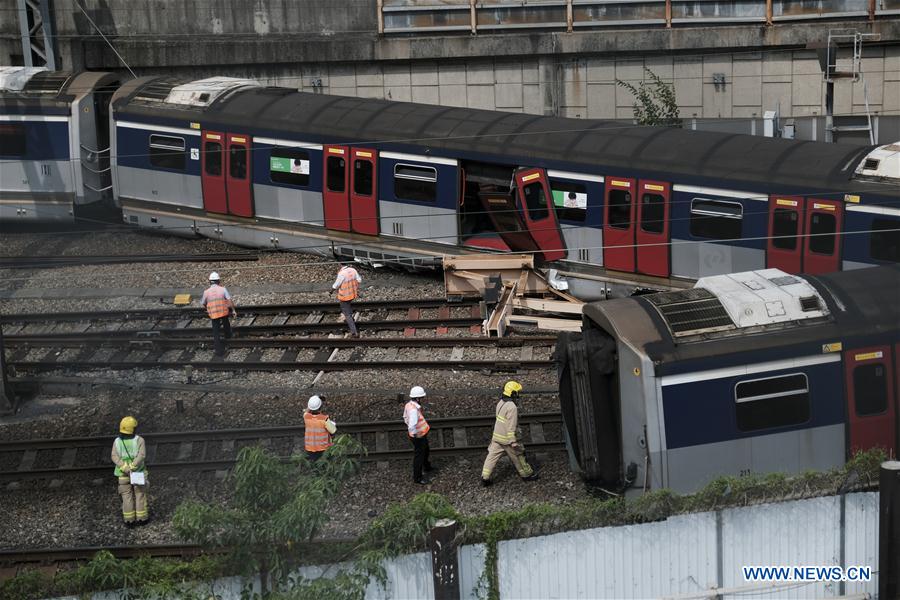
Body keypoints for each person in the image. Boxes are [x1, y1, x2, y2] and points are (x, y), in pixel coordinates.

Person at [481, 381, 538, 486]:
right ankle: (527, 475)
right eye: (517, 392)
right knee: (518, 457)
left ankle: (485, 477)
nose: (518, 395)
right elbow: (511, 425)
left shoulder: (500, 403)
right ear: (513, 393)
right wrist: (513, 441)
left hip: (497, 436)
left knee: (491, 457)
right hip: (506, 439)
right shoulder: (512, 407)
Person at [111, 416, 149, 526]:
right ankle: (142, 519)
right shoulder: (139, 440)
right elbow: (141, 455)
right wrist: (132, 466)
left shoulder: (117, 441)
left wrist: (124, 467)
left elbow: (114, 456)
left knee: (126, 496)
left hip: (123, 474)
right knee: (140, 494)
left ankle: (129, 520)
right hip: (138, 472)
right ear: (133, 429)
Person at [404, 385, 435, 484]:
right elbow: (412, 425)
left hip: (420, 434)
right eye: (421, 397)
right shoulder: (413, 410)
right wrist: (415, 434)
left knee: (425, 450)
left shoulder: (409, 405)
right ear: (417, 398)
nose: (422, 399)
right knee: (419, 456)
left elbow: (405, 417)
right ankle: (418, 478)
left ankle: (427, 466)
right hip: (418, 436)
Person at [201, 272, 236, 357]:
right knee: (226, 324)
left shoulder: (206, 292)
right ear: (218, 281)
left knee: (216, 333)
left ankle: (219, 351)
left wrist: (207, 308)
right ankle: (229, 337)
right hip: (223, 312)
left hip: (214, 314)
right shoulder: (223, 289)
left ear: (210, 281)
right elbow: (229, 300)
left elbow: (203, 303)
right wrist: (233, 310)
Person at [329, 262, 361, 338]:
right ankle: (350, 320)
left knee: (347, 314)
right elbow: (359, 280)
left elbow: (336, 285)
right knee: (348, 309)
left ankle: (354, 332)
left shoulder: (342, 273)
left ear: (340, 264)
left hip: (344, 297)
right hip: (352, 294)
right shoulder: (353, 270)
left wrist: (331, 291)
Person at [303, 395, 337, 462]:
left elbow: (307, 410)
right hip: (323, 449)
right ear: (321, 407)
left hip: (310, 449)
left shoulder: (306, 417)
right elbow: (333, 431)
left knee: (313, 467)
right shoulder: (324, 419)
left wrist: (313, 402)